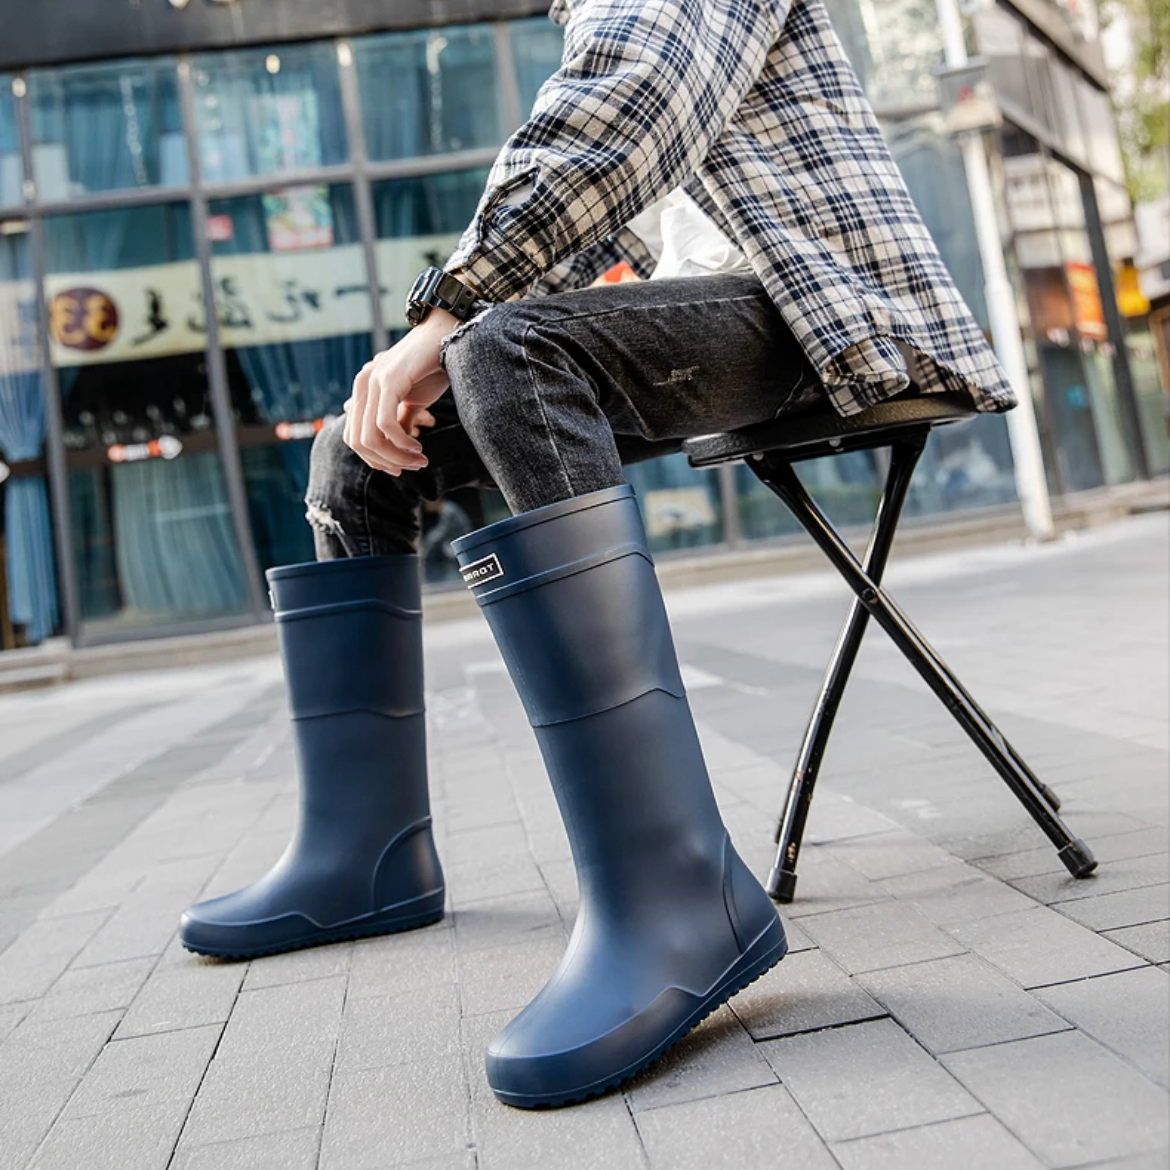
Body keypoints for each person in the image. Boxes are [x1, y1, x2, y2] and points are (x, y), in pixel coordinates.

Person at [180, 0, 1016, 1109]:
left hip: (832, 308)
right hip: (726, 308)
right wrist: (424, 355)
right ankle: (364, 857)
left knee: (507, 351)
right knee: (356, 458)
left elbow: (629, 105)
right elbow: (592, 213)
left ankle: (677, 893)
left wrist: (443, 324)